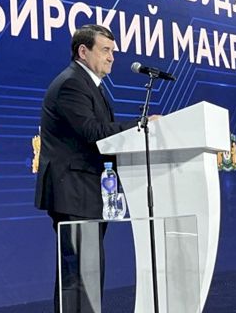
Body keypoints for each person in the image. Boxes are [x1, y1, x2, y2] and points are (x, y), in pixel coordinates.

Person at [34, 24, 156, 313]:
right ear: (83, 51)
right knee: (79, 274)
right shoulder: (72, 84)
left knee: (85, 272)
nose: (111, 57)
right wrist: (140, 125)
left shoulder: (90, 85)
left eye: (112, 51)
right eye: (105, 50)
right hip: (73, 191)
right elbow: (92, 132)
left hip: (86, 191)